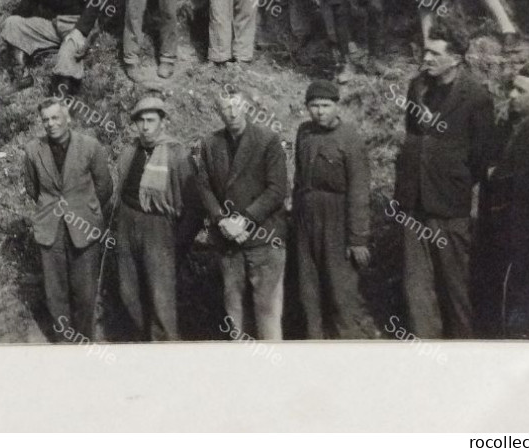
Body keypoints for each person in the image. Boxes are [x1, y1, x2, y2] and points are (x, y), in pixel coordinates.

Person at [393, 37, 495, 339]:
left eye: (435, 53)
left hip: (449, 204)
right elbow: (413, 134)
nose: (427, 57)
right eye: (425, 50)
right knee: (417, 287)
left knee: (454, 286)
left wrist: (453, 181)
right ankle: (427, 349)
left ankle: (462, 348)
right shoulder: (418, 87)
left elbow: (481, 155)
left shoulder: (476, 97)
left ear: (456, 59)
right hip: (413, 201)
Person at [194, 88, 289, 341]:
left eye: (237, 105)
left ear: (246, 107)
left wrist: (245, 219)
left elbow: (277, 188)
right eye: (226, 107)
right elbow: (203, 186)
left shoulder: (267, 140)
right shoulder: (210, 144)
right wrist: (220, 219)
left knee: (267, 309)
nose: (232, 112)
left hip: (264, 238)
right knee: (234, 309)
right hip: (228, 240)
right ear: (218, 112)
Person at [475, 59, 529, 339]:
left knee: (528, 315)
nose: (511, 96)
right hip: (499, 234)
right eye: (512, 89)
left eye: (521, 91)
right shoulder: (507, 123)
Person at [23, 98, 114, 342]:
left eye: (55, 117)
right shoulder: (33, 150)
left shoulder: (90, 146)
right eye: (45, 119)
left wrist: (86, 210)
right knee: (55, 291)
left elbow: (105, 186)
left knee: (84, 291)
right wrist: (50, 208)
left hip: (84, 225)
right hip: (50, 227)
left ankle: (84, 340)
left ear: (67, 118)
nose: (50, 124)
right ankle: (64, 340)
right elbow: (32, 187)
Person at [291, 79, 373, 339]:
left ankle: (348, 340)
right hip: (307, 218)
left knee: (341, 289)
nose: (320, 111)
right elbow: (299, 177)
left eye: (326, 105)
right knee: (308, 288)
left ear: (337, 106)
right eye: (313, 106)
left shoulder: (350, 139)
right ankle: (314, 342)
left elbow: (359, 191)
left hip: (337, 218)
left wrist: (358, 238)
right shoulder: (304, 132)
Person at [111, 95, 196, 341]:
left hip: (159, 228)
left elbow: (194, 206)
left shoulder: (176, 154)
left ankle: (166, 348)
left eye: (151, 120)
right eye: (140, 121)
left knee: (161, 297)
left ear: (162, 122)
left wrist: (178, 242)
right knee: (128, 291)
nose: (145, 126)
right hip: (127, 223)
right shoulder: (130, 150)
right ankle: (142, 341)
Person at [0, 0, 96, 93]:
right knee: (12, 23)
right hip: (52, 26)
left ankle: (63, 97)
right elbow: (20, 14)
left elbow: (93, 1)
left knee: (67, 55)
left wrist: (80, 30)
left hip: (75, 25)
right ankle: (22, 76)